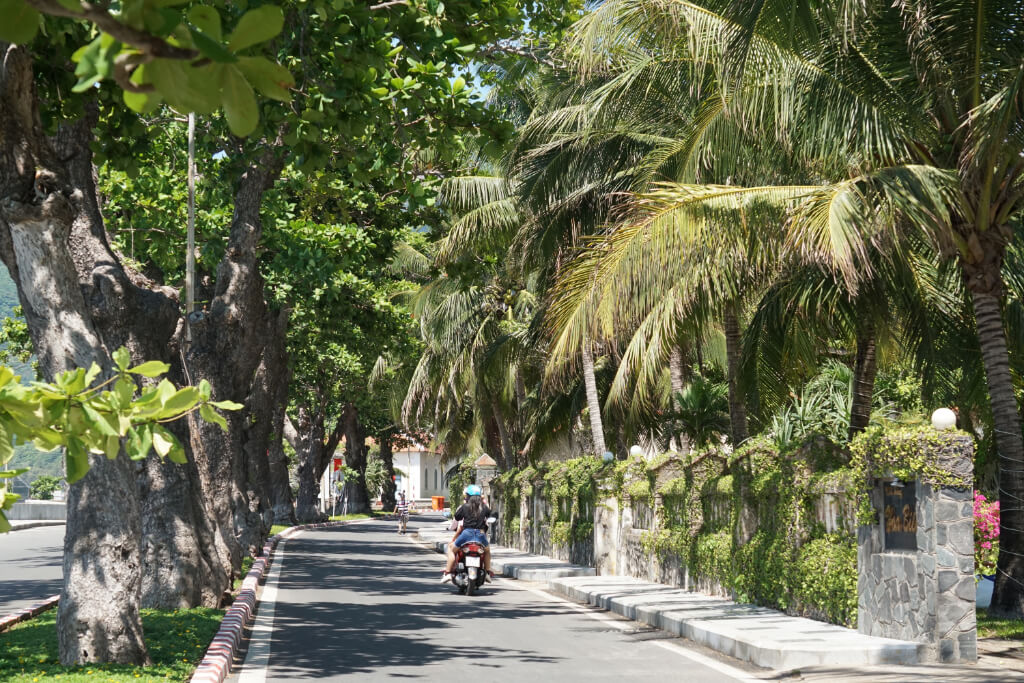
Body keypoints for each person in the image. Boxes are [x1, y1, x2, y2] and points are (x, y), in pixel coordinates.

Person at [441, 484, 494, 583]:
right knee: (487, 551)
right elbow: (490, 516)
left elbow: (457, 517)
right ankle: (487, 573)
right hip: (481, 534)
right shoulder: (484, 507)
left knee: (452, 550)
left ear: (468, 496)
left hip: (466, 533)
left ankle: (448, 573)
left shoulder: (465, 506)